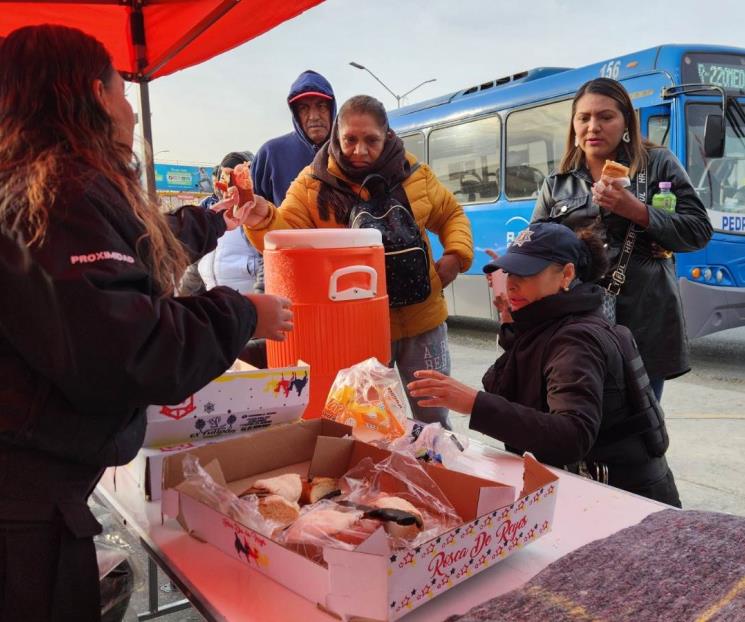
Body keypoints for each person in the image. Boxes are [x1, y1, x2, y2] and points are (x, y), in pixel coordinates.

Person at [0, 25, 293, 621]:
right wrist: (243, 313)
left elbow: (125, 257)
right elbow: (129, 350)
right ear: (93, 95)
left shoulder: (43, 184)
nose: (131, 108)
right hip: (25, 509)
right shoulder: (58, 194)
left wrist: (217, 222)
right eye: (120, 88)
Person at [408, 222, 681, 507]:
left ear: (567, 274)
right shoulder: (550, 322)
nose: (512, 283)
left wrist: (473, 403)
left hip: (625, 504)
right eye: (510, 272)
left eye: (527, 273)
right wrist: (511, 320)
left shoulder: (577, 340)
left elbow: (570, 436)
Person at [243, 95, 474, 428]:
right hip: (355, 330)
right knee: (364, 423)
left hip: (421, 321)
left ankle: (439, 473)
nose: (359, 150)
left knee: (433, 420)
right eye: (350, 139)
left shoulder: (415, 174)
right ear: (338, 136)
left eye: (371, 141)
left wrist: (456, 255)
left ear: (388, 136)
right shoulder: (312, 185)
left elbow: (451, 214)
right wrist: (263, 218)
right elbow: (283, 238)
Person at [530, 77, 712, 401]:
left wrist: (638, 211)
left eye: (605, 117)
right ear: (573, 125)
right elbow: (536, 246)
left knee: (639, 431)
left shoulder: (657, 165)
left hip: (644, 322)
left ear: (626, 121)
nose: (593, 127)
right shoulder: (557, 183)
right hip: (575, 324)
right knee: (577, 420)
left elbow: (698, 231)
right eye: (583, 118)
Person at [251, 70, 336, 207]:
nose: (314, 116)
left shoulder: (349, 152)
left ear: (332, 109)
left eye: (321, 106)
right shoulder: (269, 154)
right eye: (304, 108)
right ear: (295, 114)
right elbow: (249, 216)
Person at [198, 151, 264, 295]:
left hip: (249, 303)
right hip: (215, 305)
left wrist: (260, 298)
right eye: (223, 176)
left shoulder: (251, 212)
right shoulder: (210, 212)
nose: (227, 183)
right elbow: (195, 262)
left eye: (232, 176)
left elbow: (266, 261)